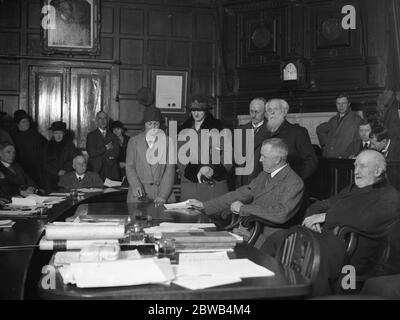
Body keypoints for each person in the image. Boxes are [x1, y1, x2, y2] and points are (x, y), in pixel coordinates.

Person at [261, 150, 400, 296]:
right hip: (327, 238)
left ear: (378, 171)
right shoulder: (354, 188)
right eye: (355, 166)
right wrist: (313, 218)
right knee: (280, 237)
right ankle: (264, 288)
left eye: (362, 166)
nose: (356, 171)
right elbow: (322, 204)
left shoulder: (390, 196)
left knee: (308, 254)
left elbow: (368, 219)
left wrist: (326, 217)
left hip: (351, 249)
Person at [188, 138, 304, 249]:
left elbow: (281, 214)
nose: (260, 160)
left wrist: (244, 208)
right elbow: (240, 194)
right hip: (250, 231)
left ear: (277, 160)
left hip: (270, 241)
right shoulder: (265, 174)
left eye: (264, 156)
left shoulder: (294, 182)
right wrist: (205, 205)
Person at [178, 96, 232, 201]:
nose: (196, 114)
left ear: (206, 111)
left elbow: (227, 155)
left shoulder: (220, 127)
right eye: (193, 110)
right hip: (190, 184)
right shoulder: (183, 130)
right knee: (189, 215)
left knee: (211, 214)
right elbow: (180, 158)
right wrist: (197, 170)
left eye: (200, 110)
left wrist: (211, 169)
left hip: (213, 183)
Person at [125, 106, 175, 205]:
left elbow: (169, 170)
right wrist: (135, 185)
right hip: (139, 195)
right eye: (149, 124)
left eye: (156, 124)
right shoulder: (134, 141)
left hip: (161, 194)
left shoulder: (168, 142)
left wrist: (163, 195)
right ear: (144, 125)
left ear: (160, 125)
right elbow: (130, 167)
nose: (153, 127)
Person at [263, 99, 317, 181]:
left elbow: (311, 162)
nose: (272, 112)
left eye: (276, 109)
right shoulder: (264, 134)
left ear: (284, 112)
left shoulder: (298, 132)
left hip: (290, 185)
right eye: (269, 110)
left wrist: (296, 181)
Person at [316, 93, 362, 158]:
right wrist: (325, 145)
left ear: (349, 104)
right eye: (338, 103)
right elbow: (319, 129)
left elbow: (358, 141)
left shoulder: (357, 120)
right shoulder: (333, 119)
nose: (341, 106)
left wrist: (351, 155)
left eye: (344, 103)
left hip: (344, 159)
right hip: (329, 157)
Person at [236, 97, 269, 187]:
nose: (253, 115)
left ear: (265, 112)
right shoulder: (240, 130)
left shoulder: (271, 131)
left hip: (260, 182)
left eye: (257, 112)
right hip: (241, 183)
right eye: (251, 111)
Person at [10, 110, 47, 188]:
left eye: (27, 121)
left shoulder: (35, 135)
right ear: (18, 124)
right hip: (21, 167)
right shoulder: (13, 136)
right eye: (23, 122)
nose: (27, 123)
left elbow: (46, 149)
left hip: (36, 167)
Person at [44, 121, 80, 192]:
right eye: (56, 133)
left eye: (60, 133)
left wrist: (65, 170)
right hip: (51, 178)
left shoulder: (70, 145)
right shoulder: (48, 146)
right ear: (53, 134)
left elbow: (74, 160)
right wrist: (56, 171)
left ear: (64, 134)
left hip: (66, 177)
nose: (58, 136)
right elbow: (45, 163)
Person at [86, 111, 120, 181]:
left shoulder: (113, 136)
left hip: (111, 170)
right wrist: (106, 147)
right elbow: (92, 153)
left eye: (105, 118)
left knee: (112, 191)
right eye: (100, 118)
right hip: (96, 170)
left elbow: (116, 153)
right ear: (96, 120)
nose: (102, 121)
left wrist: (99, 152)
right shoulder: (91, 135)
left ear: (107, 121)